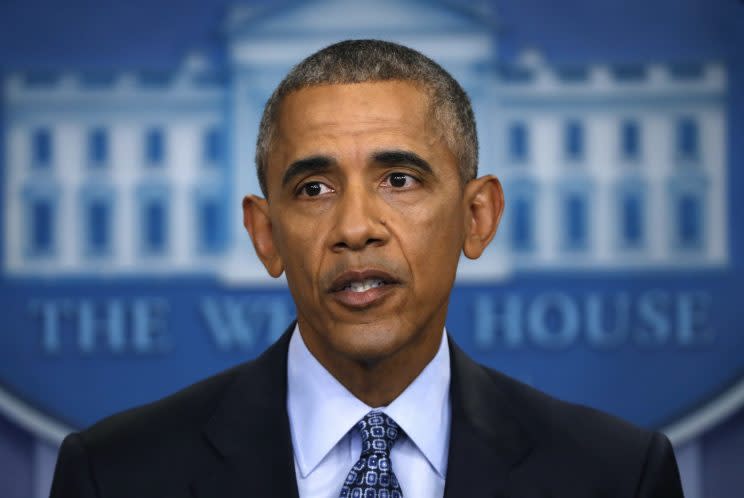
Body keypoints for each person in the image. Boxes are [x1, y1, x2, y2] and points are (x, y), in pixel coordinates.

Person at [49, 39, 683, 498]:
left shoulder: (615, 475)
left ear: (477, 217)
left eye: (399, 179)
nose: (356, 227)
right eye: (314, 189)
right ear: (265, 235)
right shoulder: (116, 474)